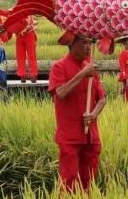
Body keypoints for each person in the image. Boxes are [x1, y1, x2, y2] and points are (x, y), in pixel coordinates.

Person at [48, 35, 106, 194]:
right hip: (70, 135)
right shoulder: (59, 67)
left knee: (89, 180)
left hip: (91, 136)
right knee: (69, 179)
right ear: (71, 45)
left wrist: (93, 114)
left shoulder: (91, 68)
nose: (88, 47)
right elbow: (60, 92)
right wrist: (82, 74)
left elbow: (101, 99)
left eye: (89, 43)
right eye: (84, 43)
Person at [10, 15, 39, 83]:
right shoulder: (15, 11)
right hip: (19, 35)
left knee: (31, 55)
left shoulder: (28, 11)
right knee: (20, 56)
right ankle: (22, 74)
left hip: (29, 34)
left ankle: (33, 74)